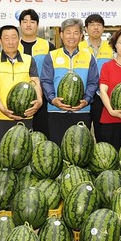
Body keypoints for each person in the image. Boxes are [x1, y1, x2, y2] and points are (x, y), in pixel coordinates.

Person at [41, 18, 99, 146]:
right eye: (68, 32)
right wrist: (52, 99)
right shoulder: (51, 56)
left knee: (80, 151)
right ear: (61, 35)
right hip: (56, 111)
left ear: (81, 35)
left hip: (81, 111)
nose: (72, 36)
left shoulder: (89, 57)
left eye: (76, 32)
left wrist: (86, 100)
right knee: (57, 148)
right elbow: (46, 81)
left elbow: (93, 82)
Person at [0, 25, 42, 149]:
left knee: (23, 152)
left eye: (14, 38)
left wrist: (39, 101)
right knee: (1, 152)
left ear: (19, 39)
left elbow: (35, 81)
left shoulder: (29, 60)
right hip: (0, 116)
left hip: (25, 114)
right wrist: (3, 109)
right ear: (0, 41)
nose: (10, 42)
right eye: (6, 38)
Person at [17, 9, 55, 138]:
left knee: (42, 135)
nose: (28, 25)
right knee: (20, 137)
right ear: (20, 24)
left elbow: (54, 73)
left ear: (37, 25)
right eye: (25, 21)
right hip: (19, 99)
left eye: (32, 21)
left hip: (43, 98)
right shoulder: (13, 46)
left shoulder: (48, 46)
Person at [79, 13, 113, 142]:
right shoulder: (79, 47)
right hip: (84, 94)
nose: (95, 27)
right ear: (86, 29)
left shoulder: (111, 48)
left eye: (99, 24)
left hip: (102, 95)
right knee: (82, 133)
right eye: (92, 24)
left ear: (103, 28)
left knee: (103, 132)